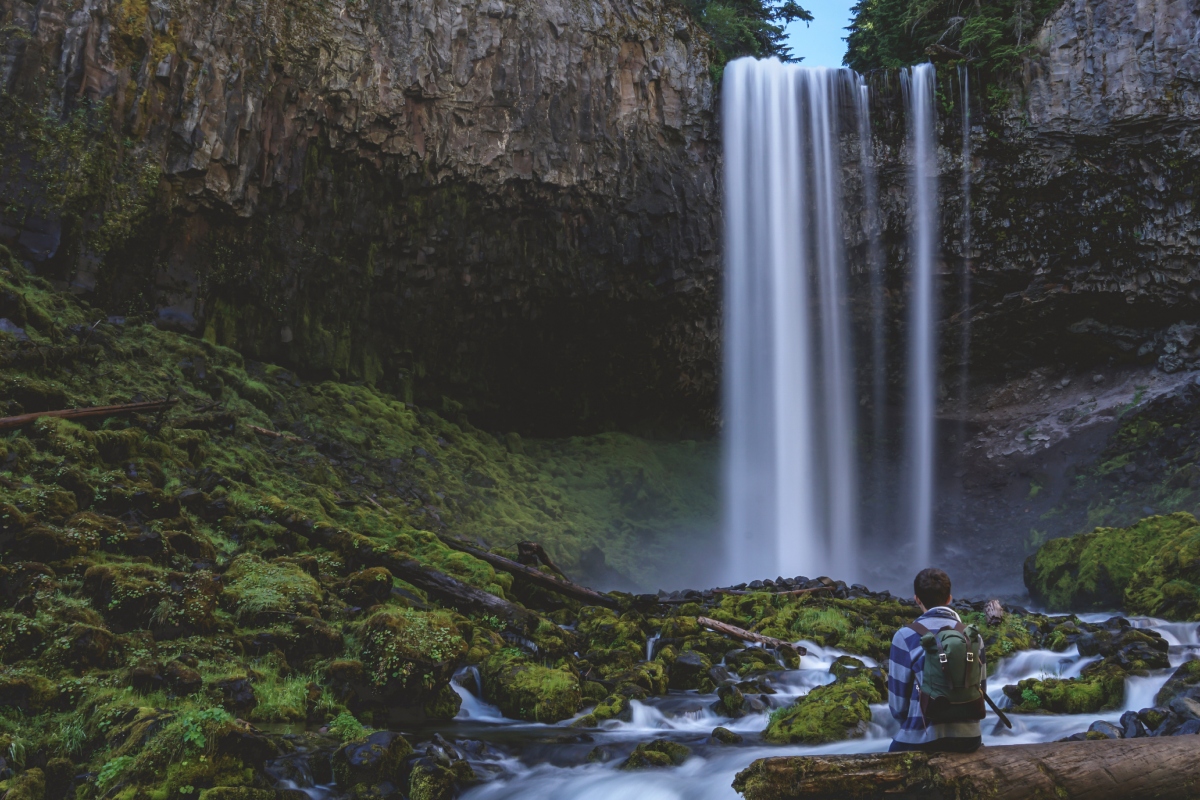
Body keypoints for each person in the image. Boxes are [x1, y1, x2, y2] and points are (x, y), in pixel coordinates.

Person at [887, 567, 984, 752]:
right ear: (949, 599)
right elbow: (980, 690)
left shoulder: (904, 637)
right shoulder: (973, 637)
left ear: (917, 599)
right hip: (969, 739)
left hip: (920, 739)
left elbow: (898, 706)